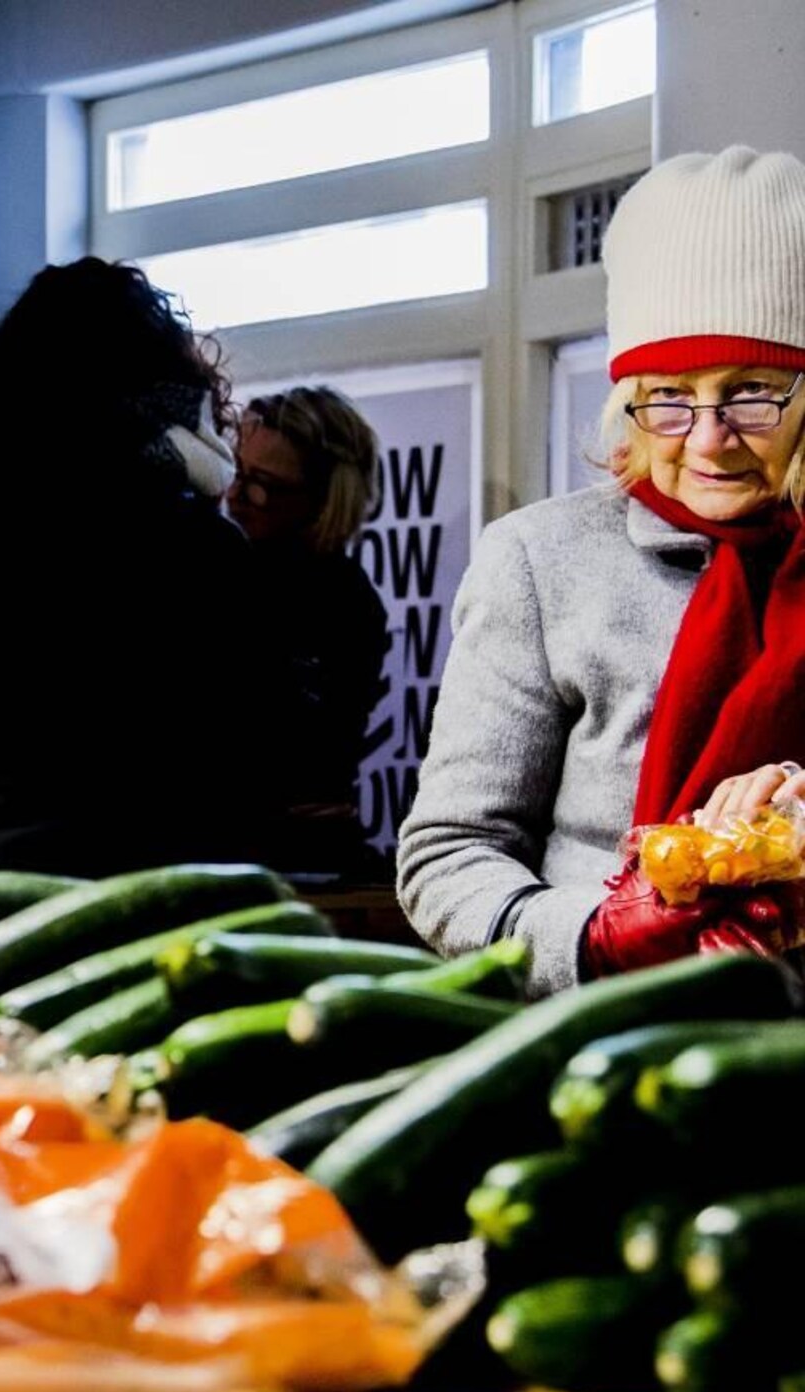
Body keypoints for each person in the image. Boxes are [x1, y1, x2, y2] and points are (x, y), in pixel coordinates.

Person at [399, 146, 805, 993]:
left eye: (753, 391)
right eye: (668, 395)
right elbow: (448, 857)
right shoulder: (541, 562)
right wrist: (595, 939)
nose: (707, 437)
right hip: (598, 1046)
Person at [0, 257, 281, 877]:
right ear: (173, 391)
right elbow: (262, 764)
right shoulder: (213, 552)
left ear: (1, 393)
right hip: (170, 911)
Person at [225, 387, 390, 877]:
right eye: (234, 472)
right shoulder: (226, 567)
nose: (234, 495)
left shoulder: (345, 603)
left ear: (322, 498)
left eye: (261, 484)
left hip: (290, 859)